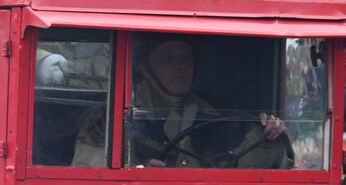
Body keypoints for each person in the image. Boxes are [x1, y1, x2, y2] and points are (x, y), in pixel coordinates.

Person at [72, 38, 289, 169]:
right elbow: (87, 170)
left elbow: (274, 173)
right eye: (168, 59)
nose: (180, 67)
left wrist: (267, 135)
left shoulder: (218, 113)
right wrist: (137, 171)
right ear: (146, 68)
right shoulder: (113, 115)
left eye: (186, 59)